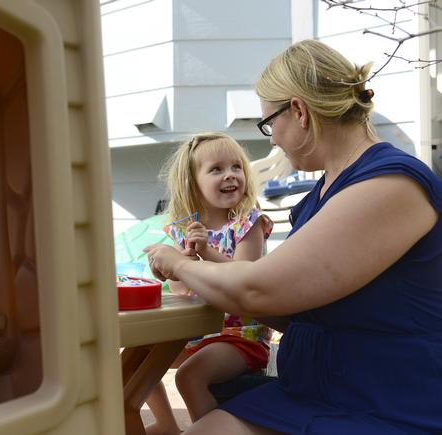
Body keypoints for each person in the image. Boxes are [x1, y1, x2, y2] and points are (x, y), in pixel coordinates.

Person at [145, 39, 442, 435]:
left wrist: (178, 263)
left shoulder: (391, 183)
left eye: (270, 124)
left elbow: (258, 290)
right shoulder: (322, 195)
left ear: (299, 111)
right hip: (315, 395)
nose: (272, 140)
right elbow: (290, 308)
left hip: (386, 405)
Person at [145, 133, 273, 435]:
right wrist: (176, 273)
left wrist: (203, 255)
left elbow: (245, 277)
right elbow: (184, 293)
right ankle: (165, 423)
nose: (230, 175)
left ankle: (208, 430)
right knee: (141, 362)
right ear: (193, 182)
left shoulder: (248, 223)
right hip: (198, 335)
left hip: (240, 336)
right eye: (216, 169)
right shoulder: (186, 229)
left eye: (236, 167)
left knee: (189, 376)